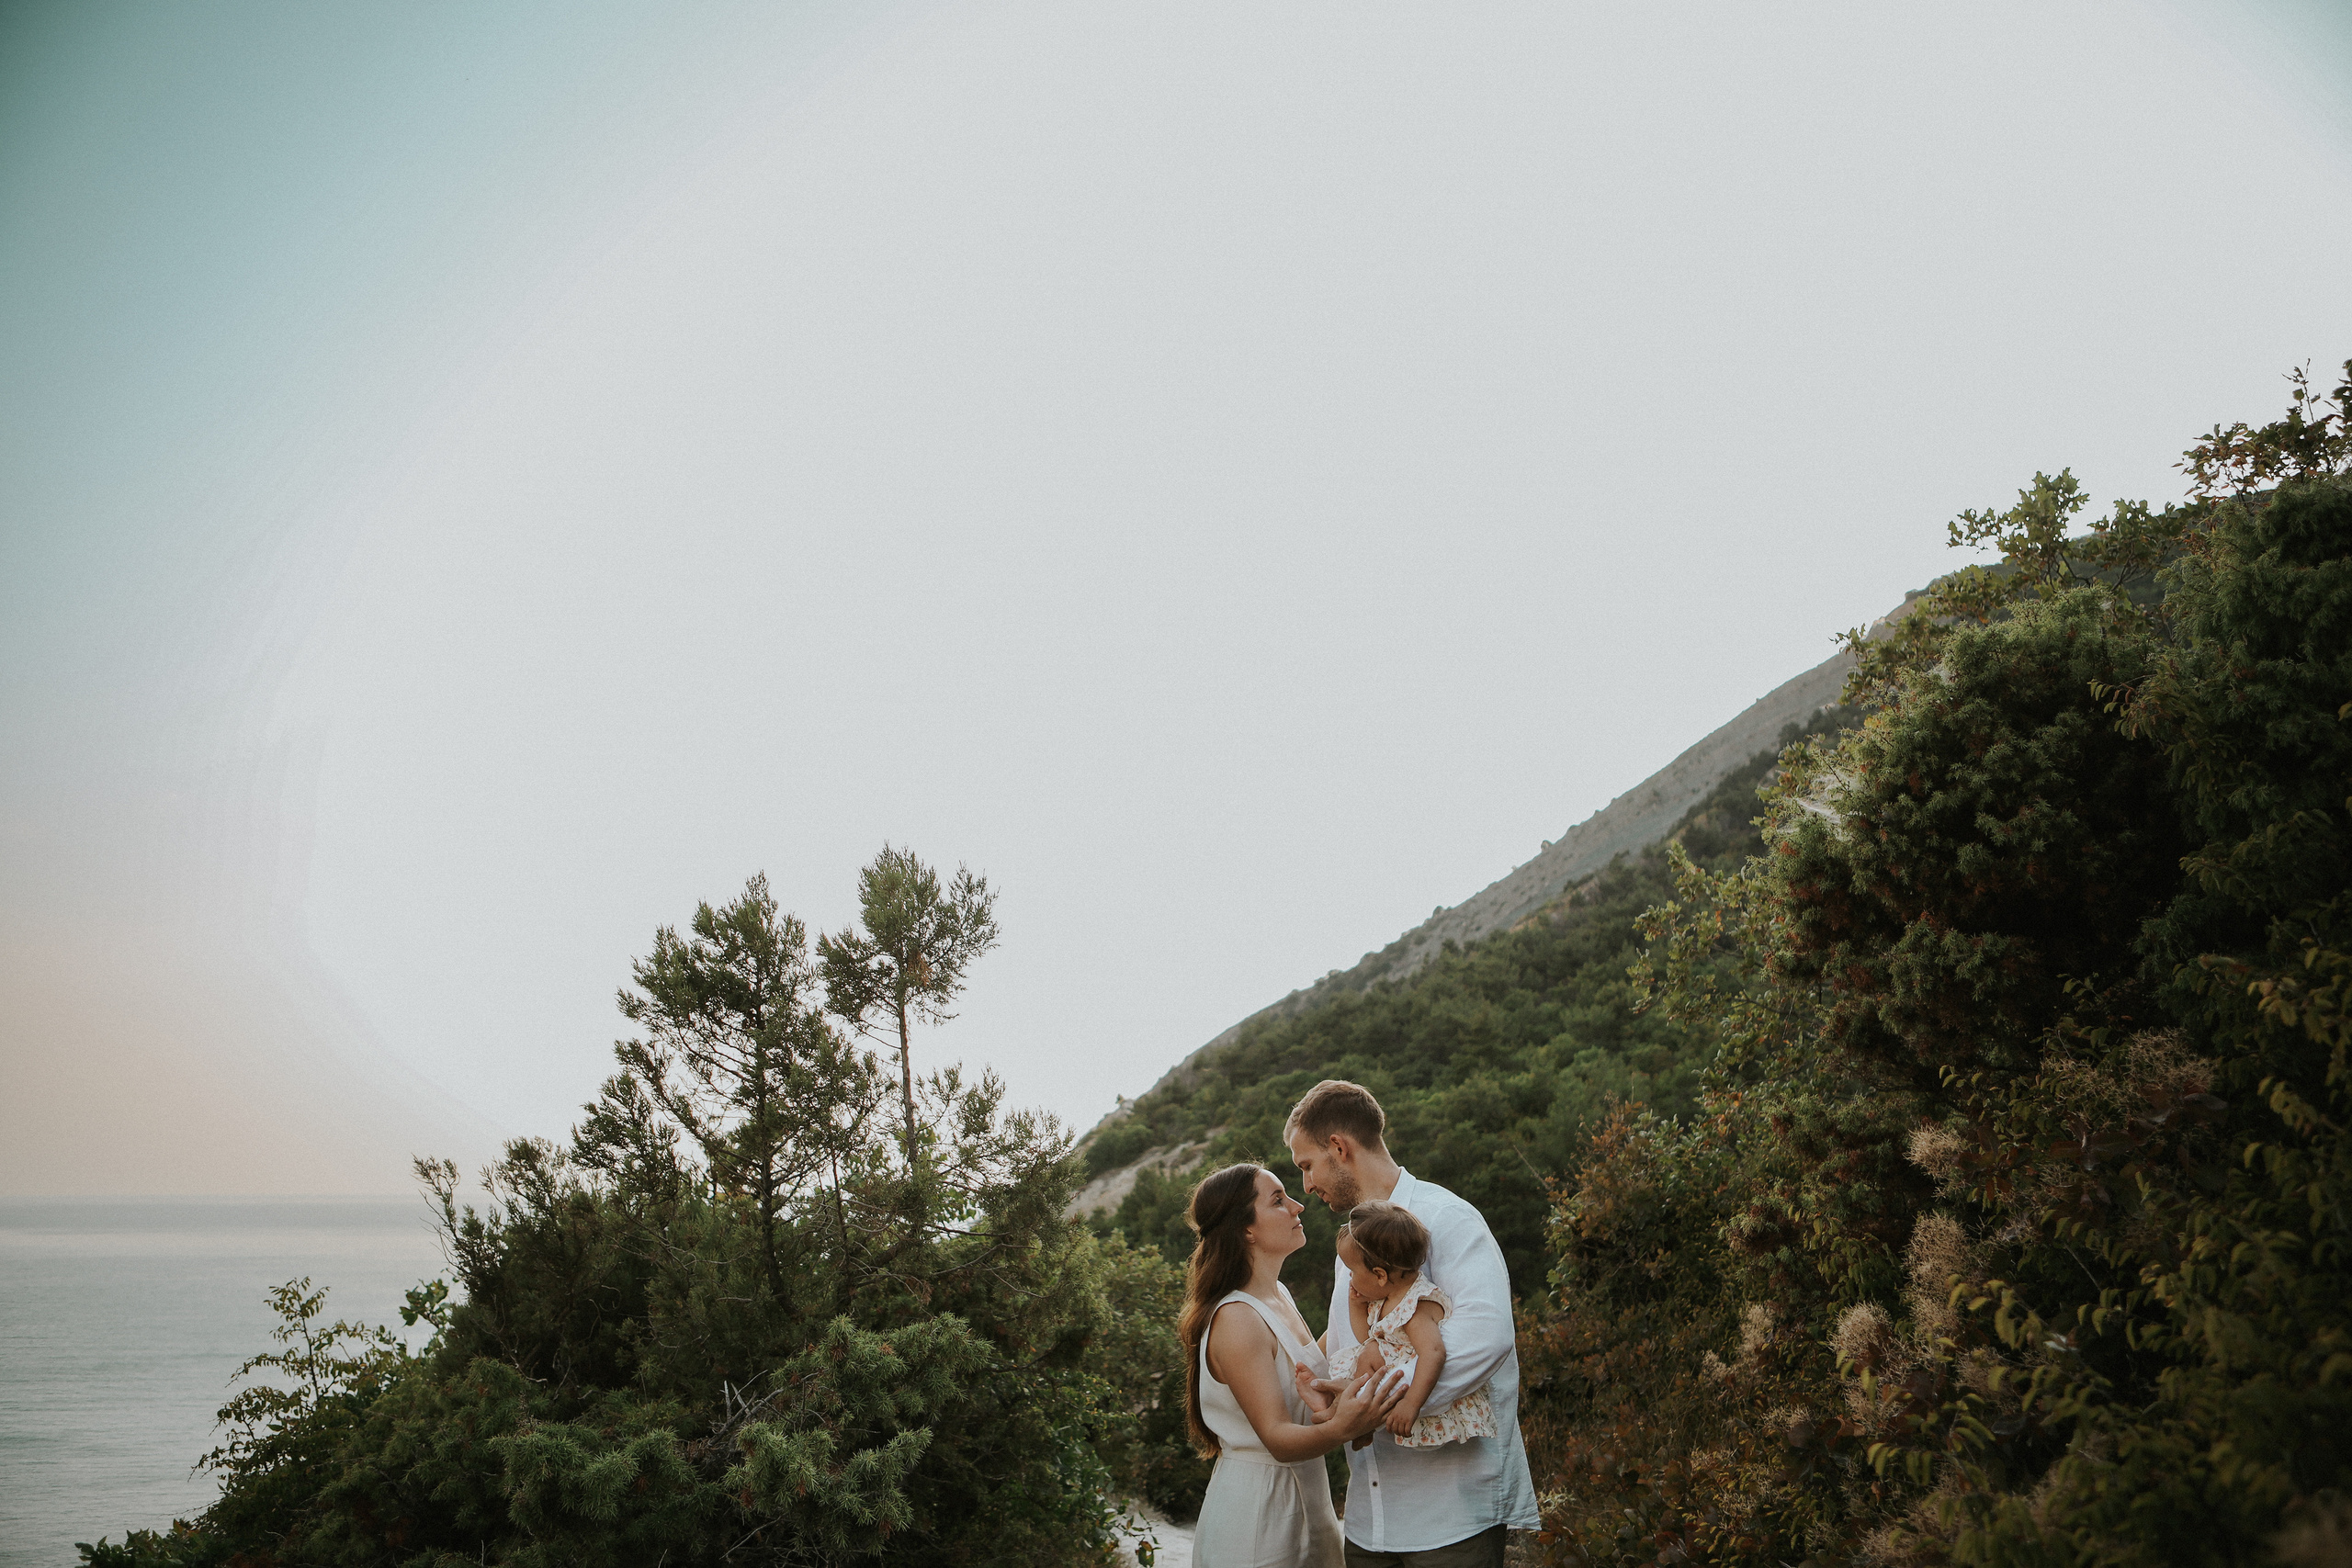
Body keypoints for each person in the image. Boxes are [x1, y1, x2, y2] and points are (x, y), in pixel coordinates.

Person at [1285, 1081, 1540, 1568]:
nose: (1307, 1185)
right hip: (1368, 1521)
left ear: (1339, 1147)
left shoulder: (1448, 1218)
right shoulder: (1352, 1247)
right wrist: (1313, 1383)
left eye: (1307, 1165)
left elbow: (1486, 1339)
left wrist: (1371, 1402)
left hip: (1450, 1514)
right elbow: (1349, 1341)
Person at [1182, 1162, 1407, 1568]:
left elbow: (1309, 1368)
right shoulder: (1237, 1318)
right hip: (1259, 1515)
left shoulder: (1278, 1295)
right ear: (1246, 1229)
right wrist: (1347, 1426)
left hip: (1307, 1497)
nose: (1298, 1206)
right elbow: (1278, 1438)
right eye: (1278, 1200)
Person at [1305, 1201, 1500, 1450]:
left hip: (1421, 1397)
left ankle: (1341, 1415)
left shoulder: (1415, 1306)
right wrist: (1355, 1305)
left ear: (1379, 1275)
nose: (1350, 1278)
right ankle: (1354, 1422)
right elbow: (1366, 1336)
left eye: (1353, 1271)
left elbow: (1433, 1353)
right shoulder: (1386, 1296)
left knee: (1371, 1353)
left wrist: (1412, 1404)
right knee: (1369, 1351)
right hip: (1388, 1377)